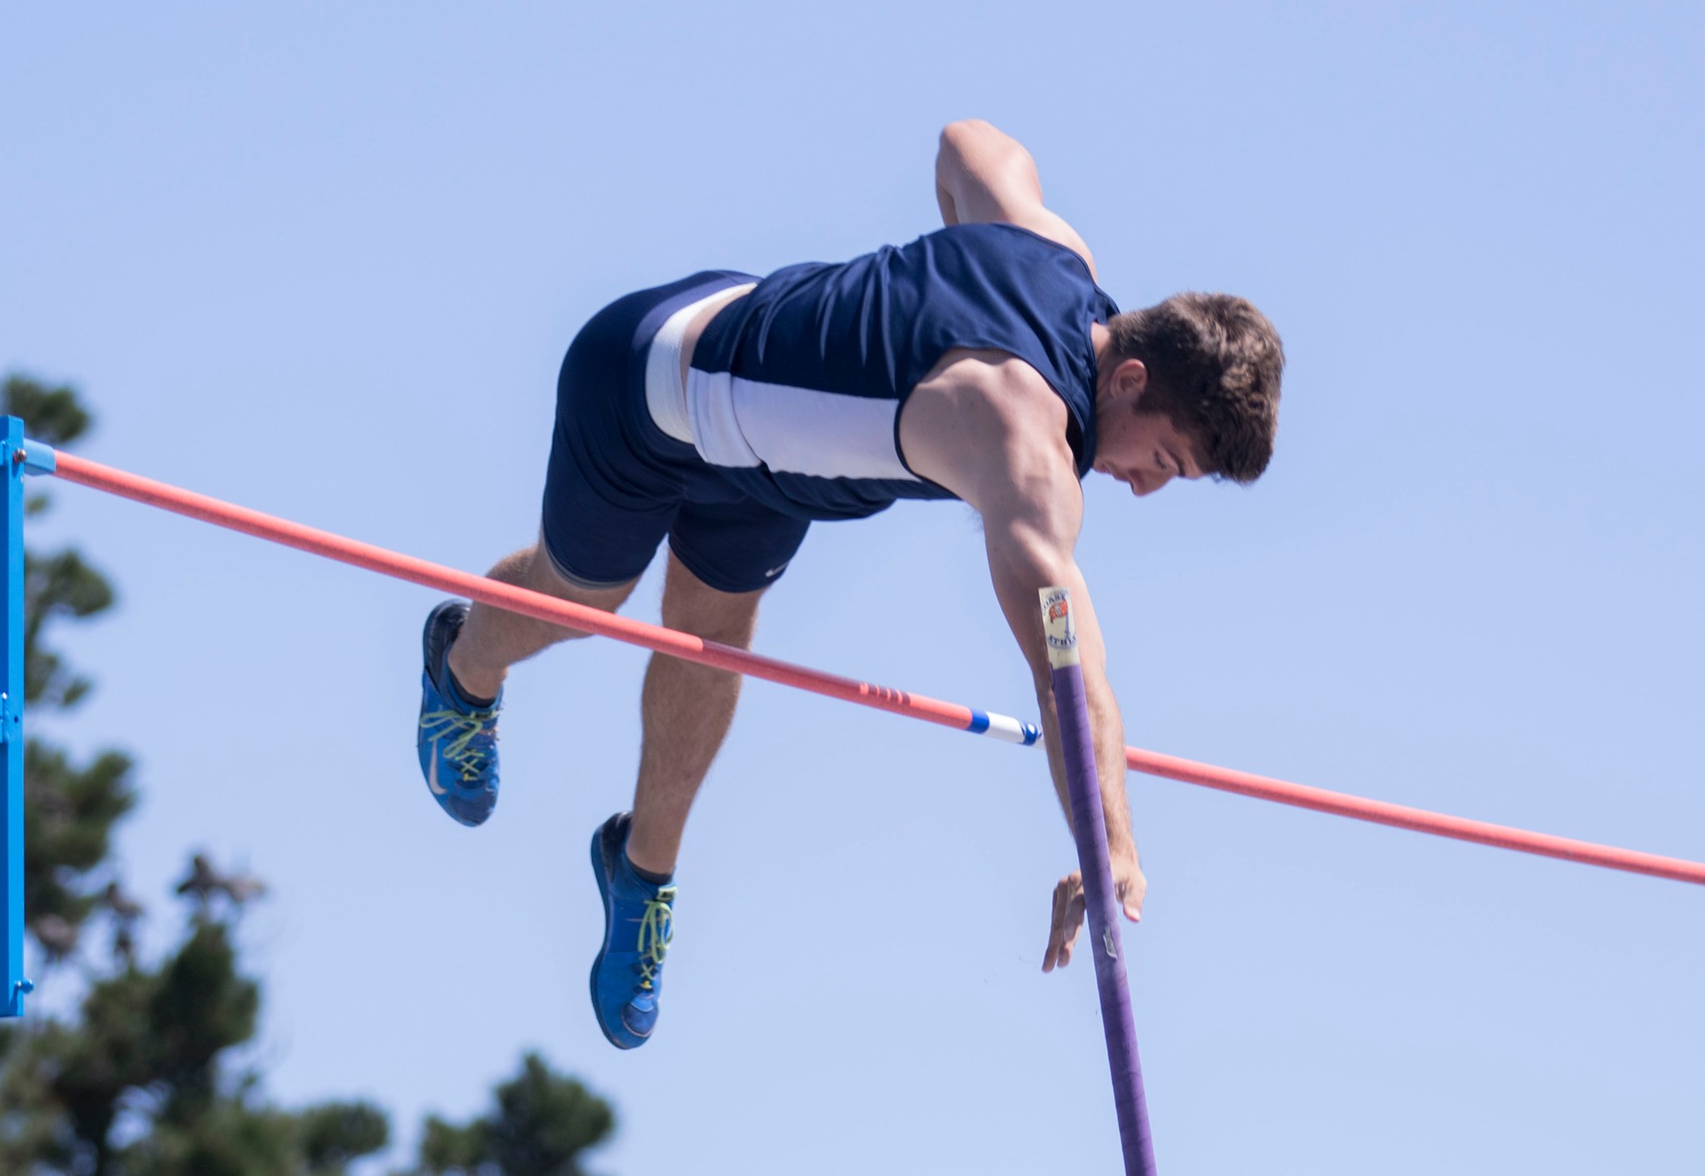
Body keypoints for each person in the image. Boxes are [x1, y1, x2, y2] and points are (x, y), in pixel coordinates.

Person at [415, 120, 1284, 1049]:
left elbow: (968, 144)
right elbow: (1070, 675)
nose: (1145, 487)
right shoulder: (1024, 445)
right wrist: (1112, 850)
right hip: (652, 384)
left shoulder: (1053, 253)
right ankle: (461, 668)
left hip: (770, 469)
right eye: (1166, 460)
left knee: (713, 638)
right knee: (585, 599)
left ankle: (640, 875)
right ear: (1132, 378)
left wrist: (947, 282)